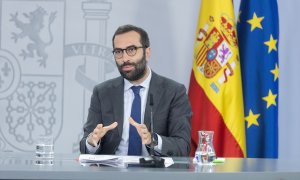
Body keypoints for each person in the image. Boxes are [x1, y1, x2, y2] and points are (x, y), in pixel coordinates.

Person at [79, 24, 192, 157]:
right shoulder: (102, 92)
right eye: (118, 52)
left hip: (155, 174)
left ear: (147, 52)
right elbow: (86, 145)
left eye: (131, 49)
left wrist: (152, 139)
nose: (125, 58)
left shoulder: (174, 92)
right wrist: (92, 142)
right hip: (113, 173)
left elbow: (183, 146)